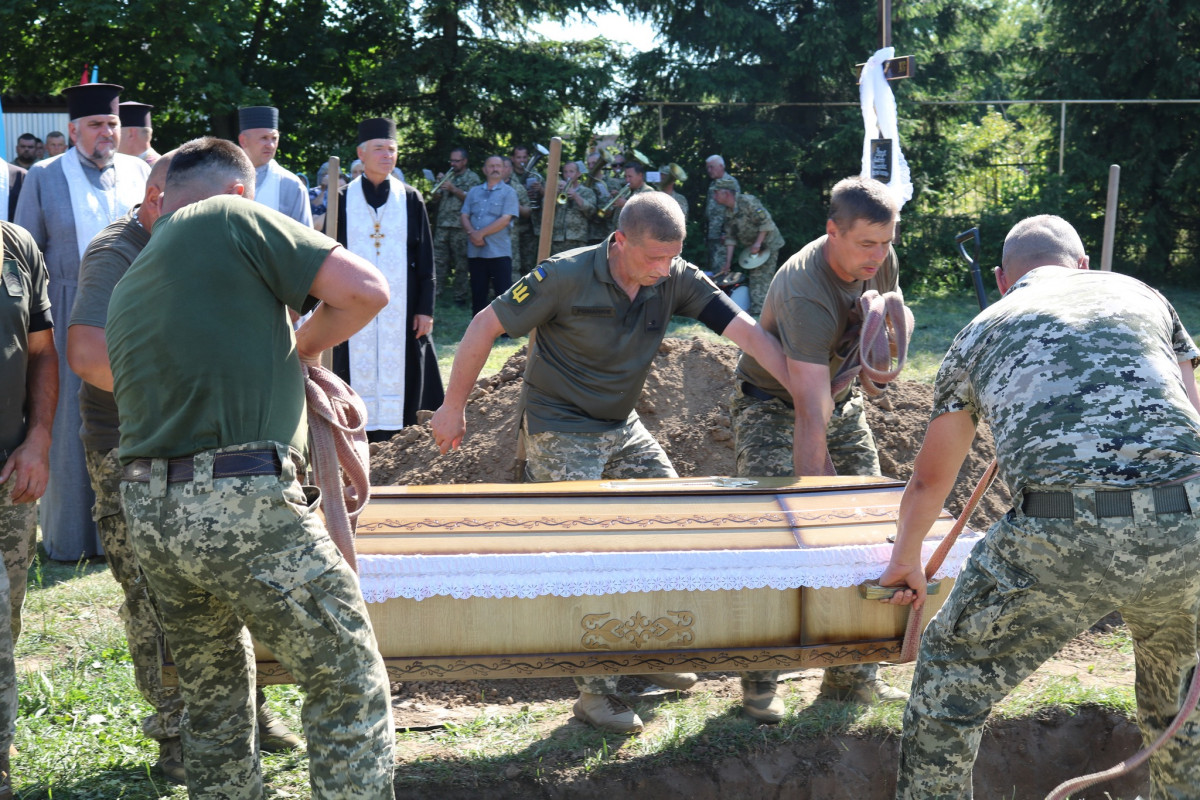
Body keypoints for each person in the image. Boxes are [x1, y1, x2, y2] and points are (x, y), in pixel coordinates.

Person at [432, 192, 796, 735]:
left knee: (670, 525)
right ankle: (594, 695)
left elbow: (743, 331)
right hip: (561, 426)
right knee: (591, 552)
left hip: (622, 425)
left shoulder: (675, 275)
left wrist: (804, 391)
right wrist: (452, 406)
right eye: (652, 257)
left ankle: (656, 652)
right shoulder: (564, 275)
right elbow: (484, 325)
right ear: (619, 241)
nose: (662, 269)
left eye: (670, 257)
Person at [106, 136, 395, 799]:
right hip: (240, 499)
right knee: (346, 675)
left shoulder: (134, 279)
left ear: (161, 199)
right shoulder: (232, 216)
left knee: (213, 701)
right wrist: (297, 347)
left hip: (151, 513)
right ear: (241, 191)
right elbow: (366, 291)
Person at [877, 214, 1200, 799]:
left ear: (1003, 279)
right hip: (1189, 523)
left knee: (952, 675)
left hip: (1059, 530)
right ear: (1082, 265)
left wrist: (907, 559)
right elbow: (1192, 412)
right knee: (1177, 693)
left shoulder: (979, 330)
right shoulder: (1144, 297)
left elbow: (930, 481)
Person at [66, 151, 303, 787]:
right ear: (153, 199)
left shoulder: (229, 234)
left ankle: (248, 712)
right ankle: (176, 731)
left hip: (227, 441)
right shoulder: (118, 251)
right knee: (154, 593)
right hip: (133, 443)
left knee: (243, 576)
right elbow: (87, 354)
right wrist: (182, 391)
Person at [729, 176, 910, 722]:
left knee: (872, 531)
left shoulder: (879, 258)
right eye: (865, 245)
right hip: (773, 407)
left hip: (840, 397)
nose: (878, 257)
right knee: (777, 541)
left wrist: (877, 363)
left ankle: (852, 681)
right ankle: (761, 683)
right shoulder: (804, 291)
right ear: (832, 231)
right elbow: (809, 413)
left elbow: (887, 335)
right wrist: (819, 498)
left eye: (887, 242)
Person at [14, 82, 149, 560]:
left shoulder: (141, 170)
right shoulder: (45, 175)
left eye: (112, 123)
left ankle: (133, 535)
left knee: (132, 415)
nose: (106, 132)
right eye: (95, 124)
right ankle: (71, 538)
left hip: (135, 311)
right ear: (73, 130)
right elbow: (26, 250)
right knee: (71, 422)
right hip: (68, 309)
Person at [325, 117, 444, 442]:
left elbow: (425, 260)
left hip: (401, 307)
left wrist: (425, 308)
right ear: (361, 154)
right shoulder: (341, 199)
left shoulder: (410, 198)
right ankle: (353, 431)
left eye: (392, 149)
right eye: (379, 148)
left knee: (403, 367)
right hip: (351, 305)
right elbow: (328, 255)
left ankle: (399, 435)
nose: (387, 155)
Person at [0, 220, 57, 799]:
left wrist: (38, 438)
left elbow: (41, 351)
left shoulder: (15, 245)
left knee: (7, 620)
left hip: (11, 472)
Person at [713, 176, 785, 315]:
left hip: (768, 244)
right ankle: (763, 311)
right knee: (756, 277)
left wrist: (758, 243)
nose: (714, 196)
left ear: (726, 193)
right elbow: (730, 238)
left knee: (761, 277)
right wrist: (727, 264)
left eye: (716, 192)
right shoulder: (728, 211)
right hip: (753, 248)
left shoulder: (748, 202)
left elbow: (766, 223)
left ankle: (760, 314)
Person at [459, 155, 518, 316]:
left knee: (503, 293)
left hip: (499, 251)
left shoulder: (509, 192)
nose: (495, 169)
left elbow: (505, 219)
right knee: (478, 292)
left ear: (504, 169)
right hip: (476, 251)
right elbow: (464, 215)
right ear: (485, 170)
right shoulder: (474, 192)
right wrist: (472, 233)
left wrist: (480, 234)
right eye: (491, 166)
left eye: (498, 166)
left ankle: (506, 331)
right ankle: (478, 329)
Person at [236, 105, 313, 227]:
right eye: (264, 138)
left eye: (274, 138)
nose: (271, 145)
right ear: (243, 141)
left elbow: (306, 238)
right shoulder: (223, 178)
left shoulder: (291, 185)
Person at [430, 147, 480, 305]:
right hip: (443, 225)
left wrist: (453, 189)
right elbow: (435, 200)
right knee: (438, 261)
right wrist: (438, 187)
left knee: (461, 264)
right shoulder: (448, 176)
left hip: (460, 227)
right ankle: (435, 293)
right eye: (451, 160)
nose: (453, 164)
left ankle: (460, 296)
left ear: (464, 161)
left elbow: (473, 201)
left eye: (456, 161)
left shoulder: (473, 178)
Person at [550, 160, 596, 256]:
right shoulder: (557, 190)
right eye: (565, 172)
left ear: (578, 174)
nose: (568, 175)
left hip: (577, 238)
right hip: (558, 239)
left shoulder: (587, 191)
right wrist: (556, 193)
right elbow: (547, 211)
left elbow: (591, 212)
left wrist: (576, 196)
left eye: (571, 171)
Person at [511, 145, 543, 281]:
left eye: (524, 157)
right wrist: (522, 191)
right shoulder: (507, 174)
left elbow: (544, 199)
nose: (522, 160)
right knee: (513, 261)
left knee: (529, 261)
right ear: (513, 159)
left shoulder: (535, 175)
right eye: (518, 157)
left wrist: (540, 190)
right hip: (512, 224)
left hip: (531, 224)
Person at [704, 155, 738, 274]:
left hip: (723, 235)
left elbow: (735, 209)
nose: (709, 170)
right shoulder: (713, 184)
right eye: (708, 168)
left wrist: (727, 232)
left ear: (721, 166)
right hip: (713, 233)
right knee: (713, 267)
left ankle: (721, 292)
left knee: (722, 269)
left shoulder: (730, 183)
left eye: (711, 167)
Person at [499, 156, 531, 281]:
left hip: (510, 236)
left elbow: (528, 212)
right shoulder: (487, 187)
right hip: (490, 236)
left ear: (510, 169)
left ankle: (512, 298)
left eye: (505, 166)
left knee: (513, 268)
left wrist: (516, 206)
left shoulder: (517, 188)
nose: (501, 169)